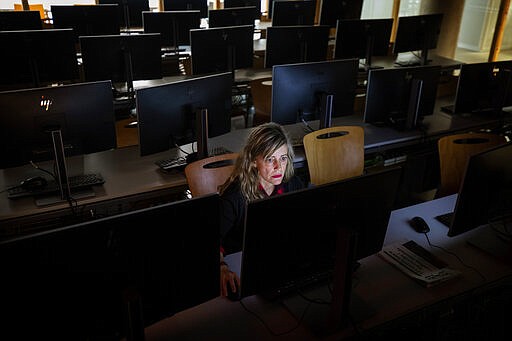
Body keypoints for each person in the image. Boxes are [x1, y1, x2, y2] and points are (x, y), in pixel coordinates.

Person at [218, 122, 305, 297]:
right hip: (242, 262)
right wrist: (222, 268)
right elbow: (210, 241)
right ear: (252, 161)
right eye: (269, 159)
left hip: (277, 259)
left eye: (283, 158)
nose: (278, 167)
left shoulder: (292, 184)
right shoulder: (234, 197)